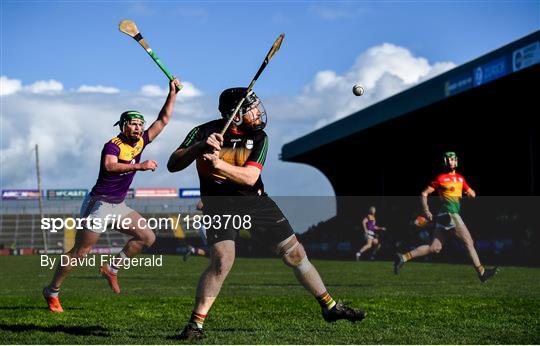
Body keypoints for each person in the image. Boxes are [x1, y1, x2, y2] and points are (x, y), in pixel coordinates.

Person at [168, 87, 365, 340]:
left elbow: (250, 178)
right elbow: (173, 163)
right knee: (222, 261)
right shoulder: (202, 131)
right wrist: (199, 147)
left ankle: (330, 307)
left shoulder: (259, 137)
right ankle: (195, 326)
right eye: (251, 107)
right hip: (219, 206)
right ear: (234, 114)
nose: (257, 112)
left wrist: (218, 163)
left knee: (295, 254)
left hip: (256, 203)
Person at [42, 79, 182, 312]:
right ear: (122, 127)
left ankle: (111, 269)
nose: (138, 128)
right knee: (81, 252)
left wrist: (173, 93)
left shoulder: (140, 143)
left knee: (147, 237)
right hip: (99, 205)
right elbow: (110, 166)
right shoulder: (113, 145)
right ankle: (52, 290)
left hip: (118, 205)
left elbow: (163, 120)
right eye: (133, 124)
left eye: (140, 124)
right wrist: (140, 166)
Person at [393, 152, 499, 282]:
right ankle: (482, 272)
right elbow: (424, 193)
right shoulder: (440, 178)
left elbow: (472, 193)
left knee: (434, 248)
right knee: (469, 242)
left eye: (452, 159)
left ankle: (403, 257)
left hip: (443, 216)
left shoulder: (461, 179)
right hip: (450, 215)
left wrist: (470, 193)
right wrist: (426, 211)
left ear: (456, 162)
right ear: (445, 162)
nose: (450, 162)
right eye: (448, 159)